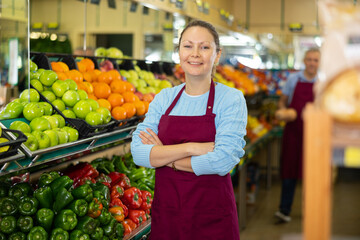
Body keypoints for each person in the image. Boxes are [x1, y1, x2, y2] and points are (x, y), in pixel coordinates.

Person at [131, 20, 247, 239]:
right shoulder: (164, 98)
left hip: (212, 217)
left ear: (217, 54)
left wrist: (165, 156)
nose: (195, 54)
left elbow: (223, 161)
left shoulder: (231, 99)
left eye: (204, 47)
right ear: (179, 52)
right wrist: (193, 148)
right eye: (187, 46)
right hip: (168, 215)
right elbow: (138, 153)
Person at [275, 48, 321, 223]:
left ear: (319, 63)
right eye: (309, 59)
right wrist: (282, 112)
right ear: (304, 60)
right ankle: (284, 210)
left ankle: (311, 212)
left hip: (314, 135)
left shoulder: (322, 83)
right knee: (290, 172)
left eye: (315, 60)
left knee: (313, 175)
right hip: (293, 133)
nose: (311, 63)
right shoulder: (293, 80)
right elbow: (282, 101)